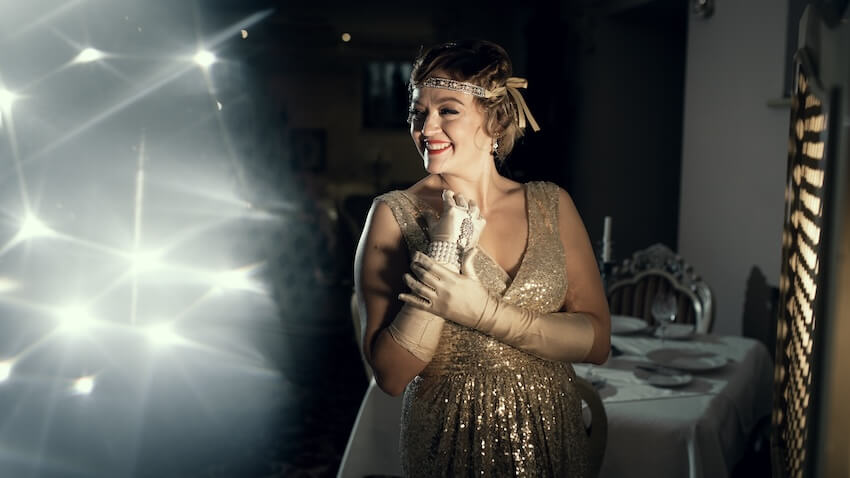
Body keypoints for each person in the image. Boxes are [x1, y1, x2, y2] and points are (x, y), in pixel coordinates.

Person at [353, 39, 611, 477]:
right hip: (449, 442)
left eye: (447, 110)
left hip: (553, 434)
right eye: (418, 113)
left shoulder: (553, 204)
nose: (426, 127)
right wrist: (443, 250)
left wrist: (484, 313)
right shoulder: (392, 214)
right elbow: (391, 377)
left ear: (495, 121)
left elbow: (598, 340)